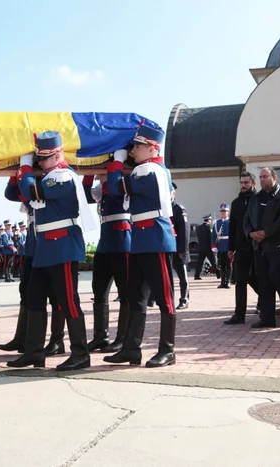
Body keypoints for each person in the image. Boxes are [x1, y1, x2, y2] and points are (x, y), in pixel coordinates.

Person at [7, 130, 96, 371]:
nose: (40, 163)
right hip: (46, 247)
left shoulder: (63, 177)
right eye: (38, 159)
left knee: (69, 301)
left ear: (57, 155)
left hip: (63, 246)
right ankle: (34, 352)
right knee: (34, 298)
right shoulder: (48, 177)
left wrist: (24, 169)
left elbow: (31, 192)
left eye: (44, 158)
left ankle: (81, 353)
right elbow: (19, 195)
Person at [103, 124, 178, 368]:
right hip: (142, 238)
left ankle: (168, 351)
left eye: (137, 146)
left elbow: (115, 186)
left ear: (151, 148)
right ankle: (131, 349)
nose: (133, 150)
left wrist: (116, 162)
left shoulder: (148, 170)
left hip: (155, 237)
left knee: (164, 297)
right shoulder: (149, 168)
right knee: (136, 297)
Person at [0, 176, 62, 356]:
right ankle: (23, 337)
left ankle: (57, 340)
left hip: (50, 236)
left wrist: (26, 172)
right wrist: (18, 173)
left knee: (55, 294)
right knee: (26, 289)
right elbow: (10, 193)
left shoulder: (49, 182)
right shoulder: (31, 182)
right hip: (33, 239)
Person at [244, 167, 280, 328]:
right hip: (259, 246)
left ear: (274, 178)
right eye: (260, 177)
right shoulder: (255, 198)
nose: (262, 180)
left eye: (265, 177)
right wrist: (251, 233)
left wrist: (266, 233)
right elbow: (246, 219)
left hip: (278, 246)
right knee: (264, 283)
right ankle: (267, 318)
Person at [82, 173, 131, 352]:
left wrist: (110, 173)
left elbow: (114, 189)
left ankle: (123, 337)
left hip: (122, 241)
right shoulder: (102, 187)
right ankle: (100, 337)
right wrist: (88, 174)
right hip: (105, 242)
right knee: (99, 290)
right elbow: (86, 194)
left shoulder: (123, 182)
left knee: (125, 292)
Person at [224, 172, 261, 325]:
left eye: (246, 182)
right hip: (241, 247)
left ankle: (265, 305)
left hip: (257, 246)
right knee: (240, 281)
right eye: (242, 182)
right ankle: (239, 315)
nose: (243, 185)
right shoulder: (236, 203)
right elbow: (232, 227)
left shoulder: (259, 200)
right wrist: (230, 248)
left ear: (253, 184)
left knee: (258, 279)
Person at [170, 183, 190, 309]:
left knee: (182, 276)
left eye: (169, 192)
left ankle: (184, 299)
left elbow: (185, 231)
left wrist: (183, 250)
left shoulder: (179, 209)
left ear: (173, 193)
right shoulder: (162, 207)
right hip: (167, 248)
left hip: (178, 248)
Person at [213, 203, 231, 288]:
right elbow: (213, 235)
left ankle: (228, 281)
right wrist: (213, 245)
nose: (223, 213)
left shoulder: (230, 222)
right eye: (222, 211)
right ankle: (222, 282)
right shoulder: (217, 223)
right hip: (220, 246)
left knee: (229, 265)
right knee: (222, 265)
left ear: (228, 212)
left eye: (225, 211)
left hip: (228, 245)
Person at [194, 214, 217, 280]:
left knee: (200, 262)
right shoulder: (209, 227)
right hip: (208, 248)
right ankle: (219, 274)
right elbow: (211, 237)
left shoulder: (199, 227)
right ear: (209, 220)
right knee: (214, 262)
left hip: (201, 248)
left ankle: (197, 275)